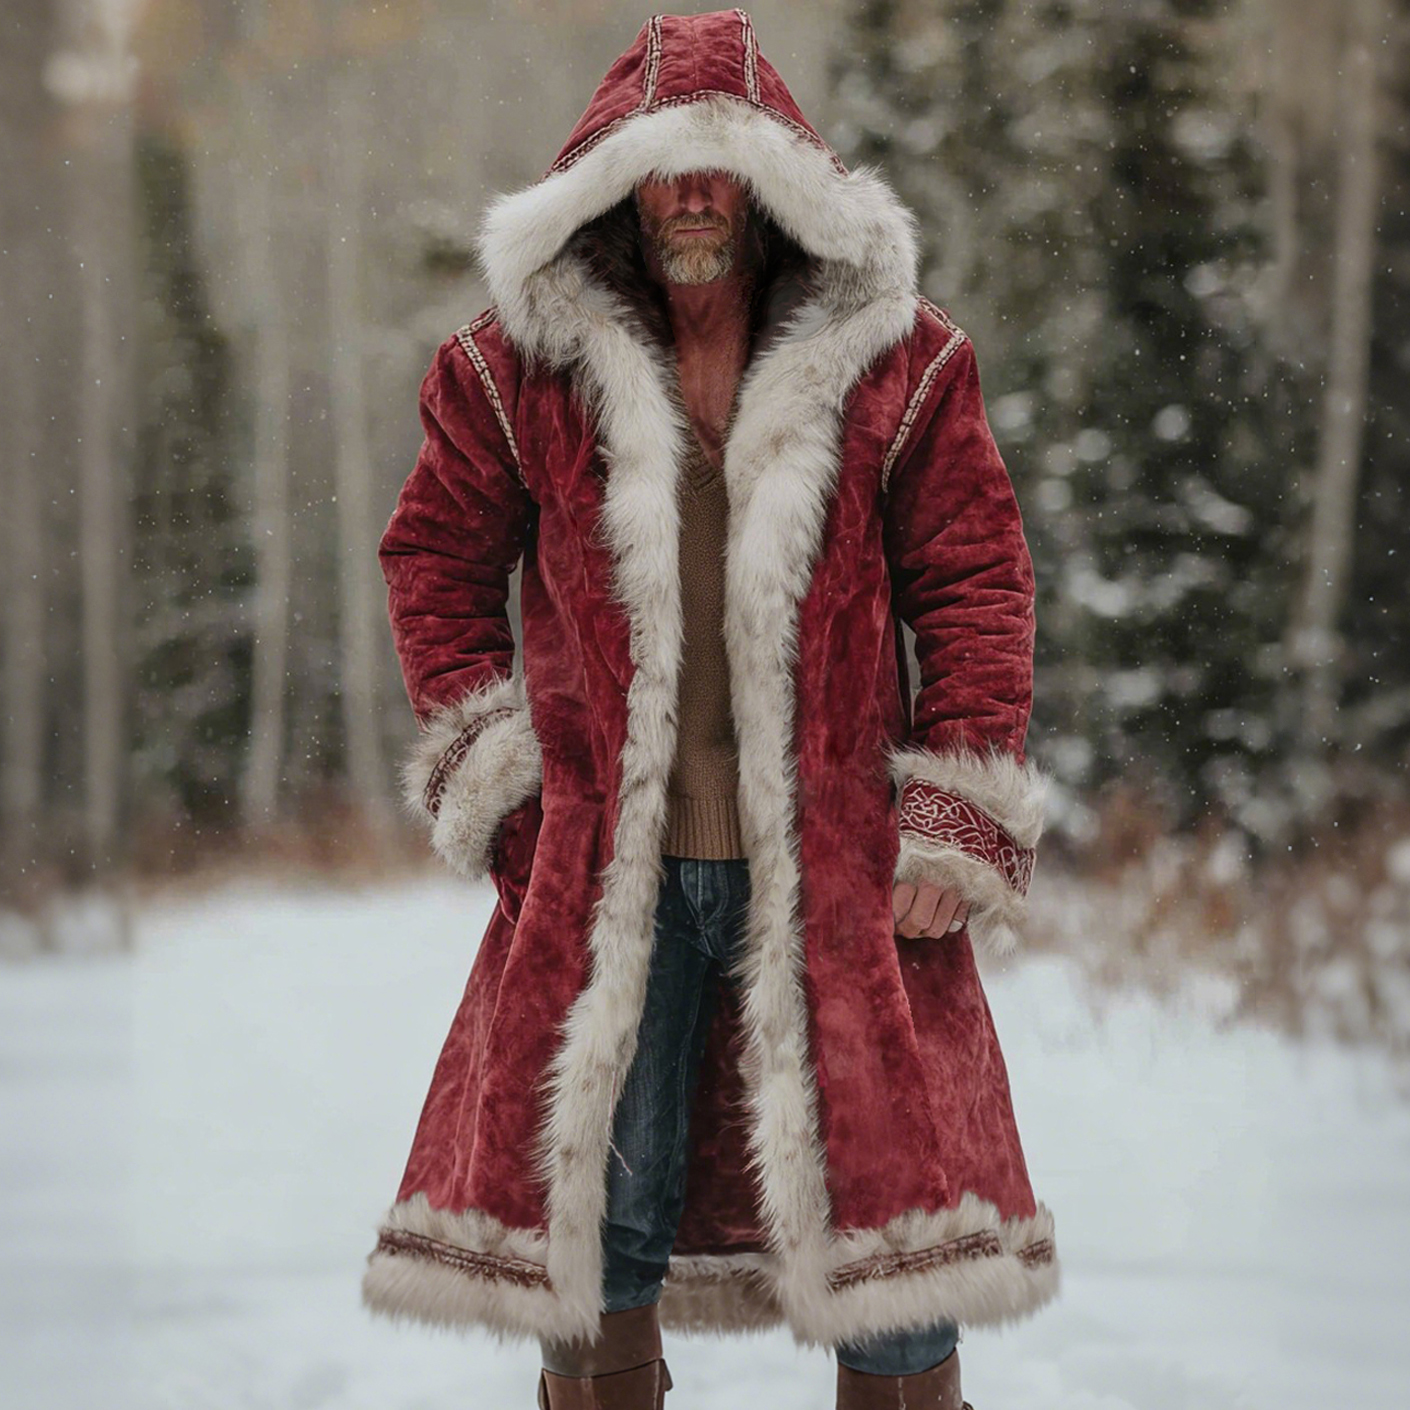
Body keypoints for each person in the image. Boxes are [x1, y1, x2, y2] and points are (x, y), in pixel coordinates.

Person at [363, 11, 1056, 1409]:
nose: (690, 195)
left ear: (771, 183)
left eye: (718, 168)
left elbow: (975, 579)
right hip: (606, 870)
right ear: (614, 184)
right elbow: (432, 564)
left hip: (844, 869)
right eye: (661, 169)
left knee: (891, 1225)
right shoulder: (513, 369)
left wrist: (955, 809)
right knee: (598, 1225)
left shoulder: (898, 360)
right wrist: (501, 786)